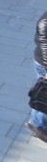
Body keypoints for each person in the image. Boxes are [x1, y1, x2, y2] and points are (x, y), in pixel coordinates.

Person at [28, 11, 47, 143]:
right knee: (43, 95)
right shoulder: (44, 22)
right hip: (44, 63)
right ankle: (37, 125)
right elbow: (45, 44)